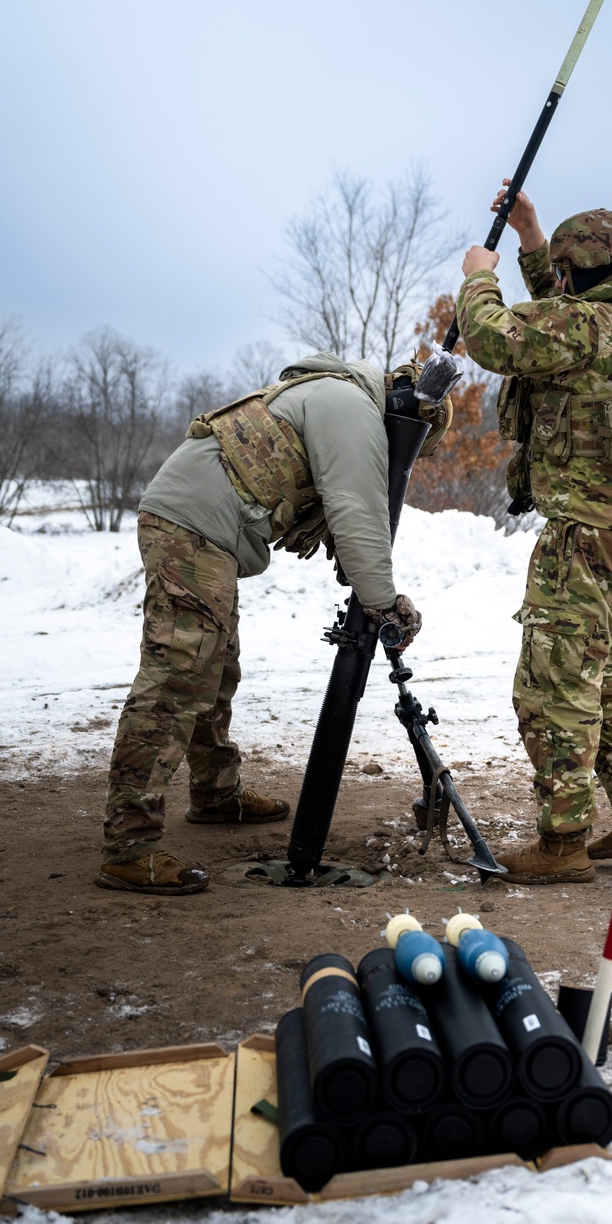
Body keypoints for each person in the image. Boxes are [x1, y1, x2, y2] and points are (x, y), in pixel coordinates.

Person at [97, 352, 426, 896]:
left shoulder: (336, 396)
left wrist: (369, 583)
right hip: (192, 527)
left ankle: (215, 793)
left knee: (215, 668)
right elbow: (356, 513)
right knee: (178, 683)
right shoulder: (350, 407)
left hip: (200, 527)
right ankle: (127, 847)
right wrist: (385, 601)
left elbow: (344, 519)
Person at [456, 184, 612, 884]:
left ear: (581, 278)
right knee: (603, 676)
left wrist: (478, 277)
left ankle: (561, 845)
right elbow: (561, 320)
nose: (558, 285)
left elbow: (500, 336)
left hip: (587, 540)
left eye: (562, 273)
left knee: (553, 689)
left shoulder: (589, 330)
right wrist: (532, 237)